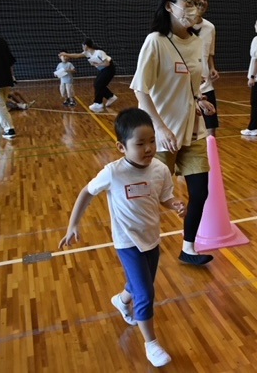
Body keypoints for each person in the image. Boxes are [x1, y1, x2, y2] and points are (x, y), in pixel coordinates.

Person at [58, 108, 186, 367]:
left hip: (152, 238)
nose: (149, 148)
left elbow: (163, 197)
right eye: (140, 143)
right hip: (127, 243)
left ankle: (121, 299)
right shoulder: (113, 172)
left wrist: (175, 204)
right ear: (121, 146)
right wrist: (73, 225)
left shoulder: (160, 169)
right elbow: (86, 192)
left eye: (152, 141)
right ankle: (151, 343)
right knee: (146, 293)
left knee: (141, 283)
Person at [130, 0, 215, 266]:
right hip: (162, 135)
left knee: (200, 192)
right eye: (188, 2)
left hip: (194, 132)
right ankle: (140, 251)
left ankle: (188, 248)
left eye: (198, 2)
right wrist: (161, 129)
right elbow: (141, 91)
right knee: (151, 196)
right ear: (170, 6)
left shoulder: (197, 42)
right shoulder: (155, 42)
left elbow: (191, 85)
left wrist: (200, 100)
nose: (195, 7)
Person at [59, 39, 118, 113]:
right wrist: (66, 54)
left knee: (98, 84)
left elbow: (107, 64)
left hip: (109, 69)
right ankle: (110, 97)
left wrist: (96, 64)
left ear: (86, 46)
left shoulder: (99, 52)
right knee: (97, 84)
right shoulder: (87, 53)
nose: (82, 47)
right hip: (103, 70)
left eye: (83, 46)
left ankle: (98, 103)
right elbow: (77, 55)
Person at [193, 0, 220, 137]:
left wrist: (212, 68)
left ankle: (211, 160)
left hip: (206, 85)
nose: (203, 2)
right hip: (188, 86)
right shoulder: (181, 27)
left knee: (211, 127)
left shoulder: (210, 27)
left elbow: (209, 52)